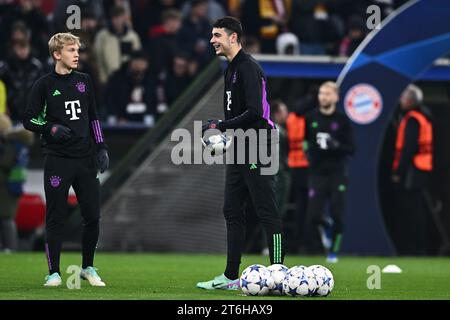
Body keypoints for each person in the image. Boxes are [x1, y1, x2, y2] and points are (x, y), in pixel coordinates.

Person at [196, 16, 284, 290]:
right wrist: (224, 133)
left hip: (259, 144)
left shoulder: (248, 67)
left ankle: (279, 273)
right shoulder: (230, 69)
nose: (212, 40)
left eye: (217, 35)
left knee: (266, 208)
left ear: (233, 37)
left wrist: (221, 125)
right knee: (232, 209)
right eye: (212, 35)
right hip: (240, 145)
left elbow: (256, 113)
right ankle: (231, 276)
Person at [23, 33, 109, 287]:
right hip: (58, 160)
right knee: (56, 216)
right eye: (71, 50)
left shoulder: (84, 81)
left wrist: (102, 147)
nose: (77, 55)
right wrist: (49, 128)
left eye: (78, 50)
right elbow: (29, 119)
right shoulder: (44, 85)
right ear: (57, 54)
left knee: (92, 216)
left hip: (85, 159)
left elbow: (94, 117)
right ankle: (53, 273)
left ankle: (88, 267)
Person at [304, 81, 355, 263]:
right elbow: (305, 142)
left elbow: (352, 149)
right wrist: (308, 153)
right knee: (313, 216)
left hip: (337, 173)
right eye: (321, 94)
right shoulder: (311, 118)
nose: (323, 97)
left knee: (338, 213)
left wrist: (337, 146)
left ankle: (333, 252)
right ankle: (326, 228)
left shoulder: (342, 120)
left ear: (336, 97)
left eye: (327, 94)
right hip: (317, 173)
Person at [392, 84, 433, 255]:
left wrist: (398, 173)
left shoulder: (413, 119)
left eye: (402, 98)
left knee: (412, 210)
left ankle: (415, 248)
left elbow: (408, 148)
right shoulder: (424, 116)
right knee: (416, 208)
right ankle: (418, 246)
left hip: (413, 169)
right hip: (423, 167)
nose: (400, 101)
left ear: (409, 100)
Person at [0, 114, 34, 252]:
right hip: (14, 183)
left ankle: (9, 247)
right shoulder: (19, 142)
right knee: (6, 217)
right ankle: (8, 247)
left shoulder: (10, 143)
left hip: (6, 184)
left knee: (6, 217)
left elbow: (5, 162)